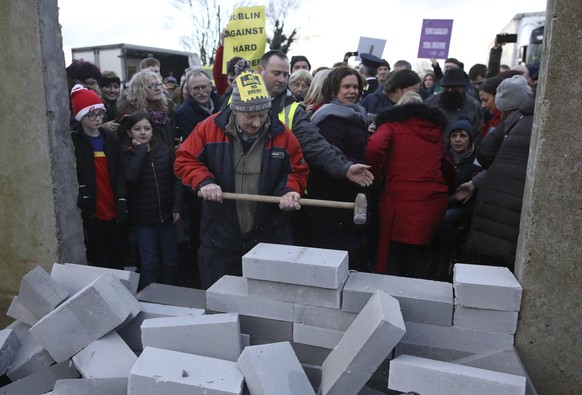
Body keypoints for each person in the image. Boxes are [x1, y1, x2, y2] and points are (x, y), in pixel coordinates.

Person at [174, 60, 309, 289]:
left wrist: (289, 191)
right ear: (235, 110)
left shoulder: (282, 135)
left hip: (270, 236)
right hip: (220, 237)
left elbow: (297, 170)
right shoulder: (208, 129)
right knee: (221, 302)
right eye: (250, 116)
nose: (257, 122)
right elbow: (185, 160)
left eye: (262, 114)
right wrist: (204, 181)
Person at [366, 91, 454, 278]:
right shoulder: (435, 132)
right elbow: (447, 166)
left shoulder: (390, 126)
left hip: (400, 200)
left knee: (395, 255)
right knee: (416, 253)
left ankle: (394, 300)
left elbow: (374, 147)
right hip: (431, 201)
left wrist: (374, 174)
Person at [256, 50, 373, 187]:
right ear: (260, 71)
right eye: (276, 73)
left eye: (286, 74)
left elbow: (315, 145)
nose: (282, 79)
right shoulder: (233, 102)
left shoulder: (294, 110)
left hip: (278, 190)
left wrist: (344, 168)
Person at [461, 75, 533, 271]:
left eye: (486, 100)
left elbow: (487, 154)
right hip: (510, 210)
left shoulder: (513, 124)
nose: (484, 106)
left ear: (505, 104)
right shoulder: (529, 122)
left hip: (498, 208)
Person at [301, 66, 371, 271]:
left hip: (353, 194)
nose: (352, 91)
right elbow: (330, 158)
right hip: (334, 202)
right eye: (346, 87)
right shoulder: (329, 119)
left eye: (356, 87)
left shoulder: (356, 115)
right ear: (334, 90)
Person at [121, 112, 183, 290]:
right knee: (149, 262)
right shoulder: (127, 154)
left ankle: (170, 294)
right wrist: (140, 150)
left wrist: (177, 205)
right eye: (137, 129)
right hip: (144, 220)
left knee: (170, 259)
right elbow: (131, 176)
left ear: (152, 131)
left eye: (147, 129)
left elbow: (177, 179)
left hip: (166, 216)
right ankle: (150, 298)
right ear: (129, 133)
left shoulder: (164, 150)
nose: (142, 133)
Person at [70, 84, 127, 270]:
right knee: (99, 251)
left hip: (111, 199)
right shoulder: (76, 141)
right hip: (93, 204)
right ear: (80, 117)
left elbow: (119, 170)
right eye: (91, 115)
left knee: (116, 250)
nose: (97, 119)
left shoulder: (110, 138)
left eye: (100, 114)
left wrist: (121, 196)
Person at [430, 117, 483, 280]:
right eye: (454, 136)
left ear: (470, 138)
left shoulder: (478, 159)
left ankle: (443, 263)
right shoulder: (443, 157)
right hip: (443, 201)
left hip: (466, 206)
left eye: (462, 136)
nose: (458, 140)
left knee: (447, 219)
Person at [117, 70, 177, 148]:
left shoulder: (167, 111)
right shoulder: (129, 114)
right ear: (139, 90)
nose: (157, 89)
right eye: (151, 86)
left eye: (158, 85)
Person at [424, 68, 484, 146]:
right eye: (446, 87)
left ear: (462, 87)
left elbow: (477, 136)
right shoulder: (430, 103)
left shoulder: (474, 106)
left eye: (454, 87)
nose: (450, 90)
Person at [175, 68, 221, 140]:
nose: (201, 92)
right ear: (189, 90)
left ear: (210, 86)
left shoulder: (222, 103)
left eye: (203, 87)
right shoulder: (183, 113)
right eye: (196, 88)